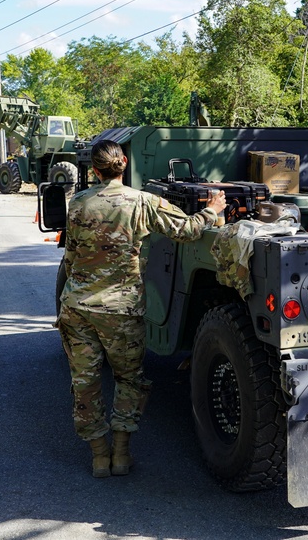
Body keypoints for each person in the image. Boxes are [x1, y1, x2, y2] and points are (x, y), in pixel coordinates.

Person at [57, 139, 226, 477]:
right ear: (123, 163)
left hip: (77, 307)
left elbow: (71, 257)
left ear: (94, 169)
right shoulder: (143, 202)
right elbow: (187, 230)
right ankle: (121, 455)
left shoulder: (76, 203)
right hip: (121, 310)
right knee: (128, 379)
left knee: (85, 382)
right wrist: (213, 210)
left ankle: (98, 457)